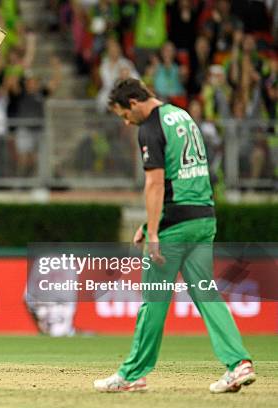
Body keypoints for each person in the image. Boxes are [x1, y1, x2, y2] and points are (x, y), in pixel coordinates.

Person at [94, 78, 256, 393]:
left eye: (124, 116)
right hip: (203, 217)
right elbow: (183, 177)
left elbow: (155, 184)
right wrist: (150, 223)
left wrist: (153, 231)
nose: (126, 123)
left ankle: (132, 374)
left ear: (133, 103)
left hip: (175, 227)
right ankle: (239, 364)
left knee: (153, 299)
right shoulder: (181, 116)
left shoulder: (150, 128)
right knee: (207, 293)